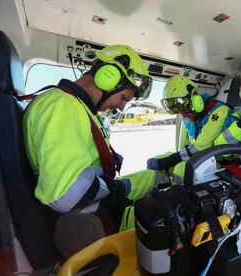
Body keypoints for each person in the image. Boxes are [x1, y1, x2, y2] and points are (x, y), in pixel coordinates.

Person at [23, 44, 158, 232]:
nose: (121, 108)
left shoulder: (77, 106)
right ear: (108, 78)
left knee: (153, 177)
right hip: (86, 219)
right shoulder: (63, 106)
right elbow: (66, 194)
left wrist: (104, 170)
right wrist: (116, 188)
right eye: (124, 98)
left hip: (89, 202)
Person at [146, 75, 235, 184]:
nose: (183, 116)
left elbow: (200, 147)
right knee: (160, 161)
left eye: (185, 111)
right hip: (200, 157)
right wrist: (163, 162)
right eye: (180, 112)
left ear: (195, 100)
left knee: (181, 170)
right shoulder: (189, 118)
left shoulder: (219, 111)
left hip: (221, 162)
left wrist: (166, 161)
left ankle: (179, 198)